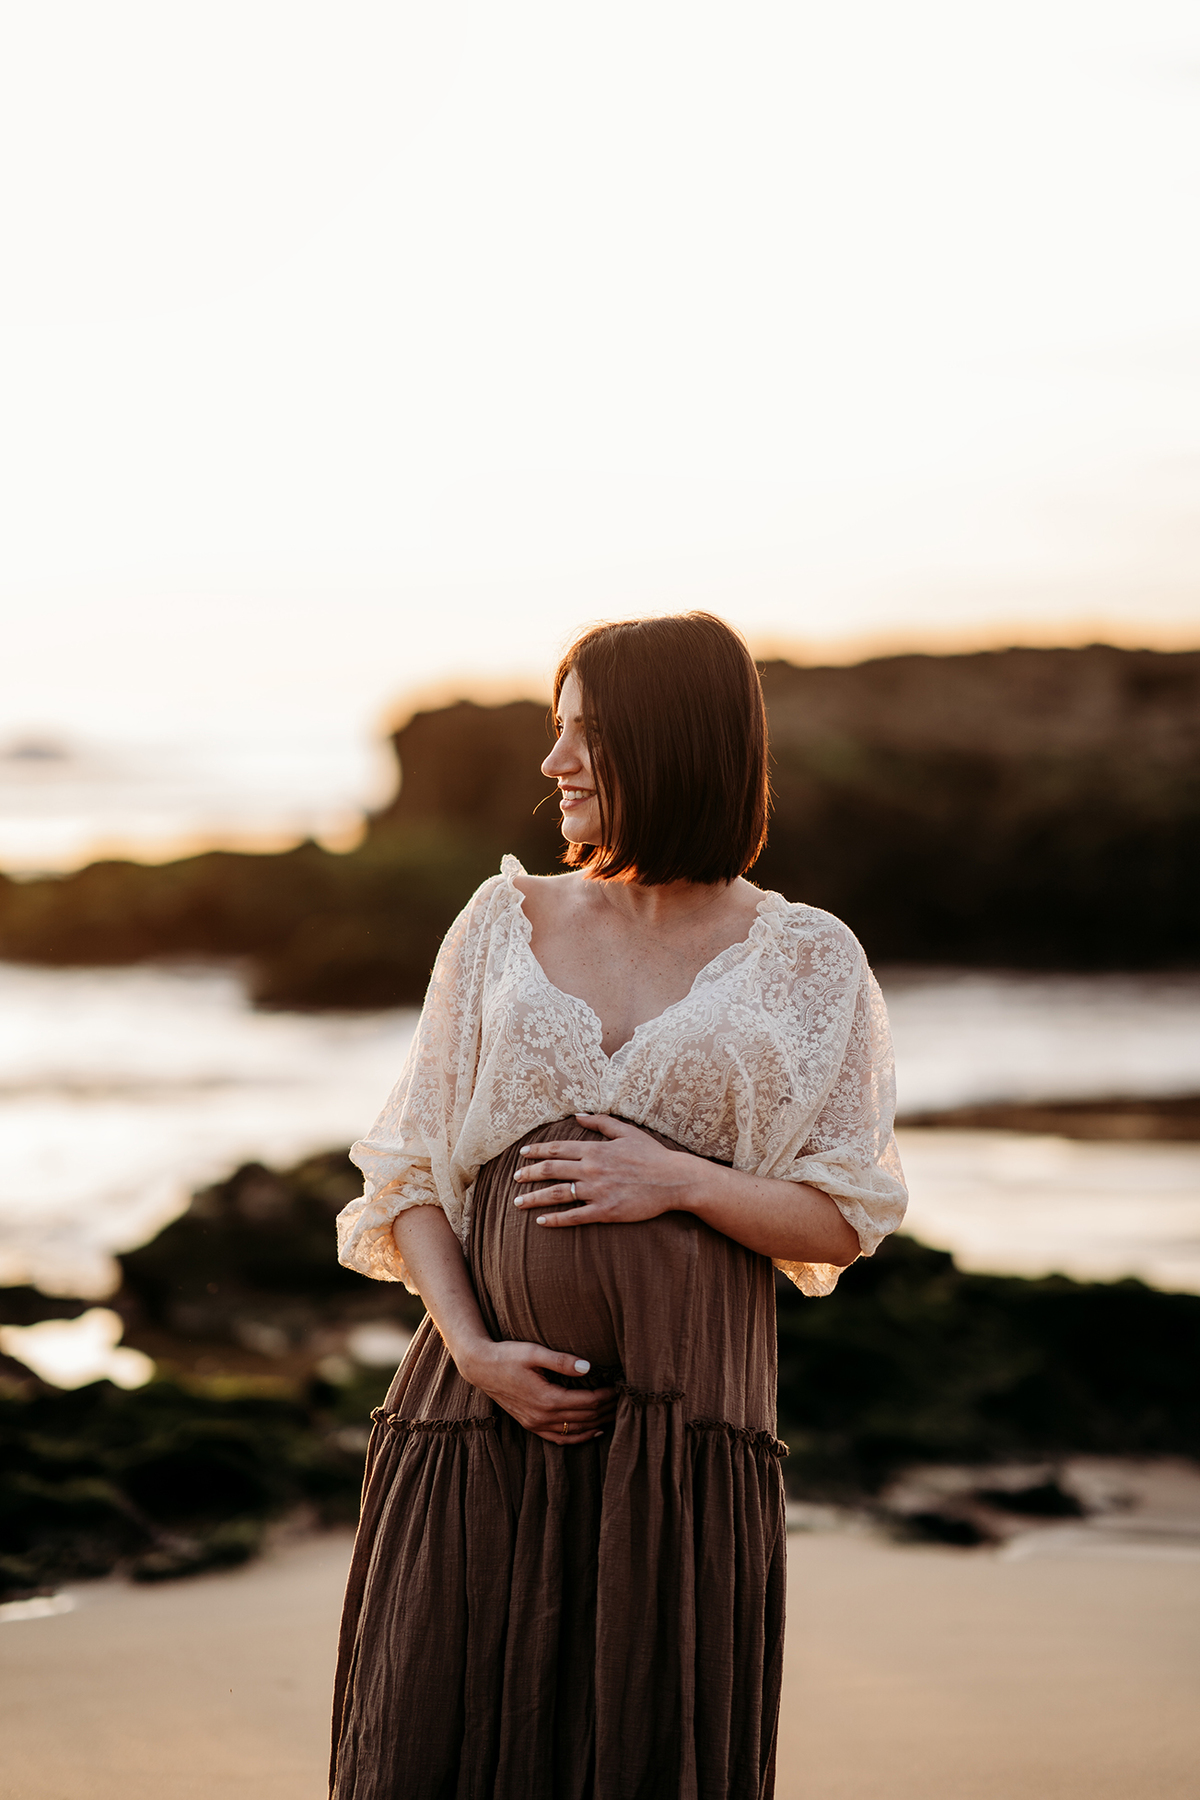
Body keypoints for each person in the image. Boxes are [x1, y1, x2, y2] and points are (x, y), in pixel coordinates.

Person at [330, 612, 907, 1800]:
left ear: (673, 741)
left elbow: (847, 1214)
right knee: (430, 1746)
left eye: (585, 735)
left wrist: (683, 1181)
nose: (555, 767)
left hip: (682, 1438)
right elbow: (414, 1176)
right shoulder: (503, 922)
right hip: (477, 1413)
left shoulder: (810, 960)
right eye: (557, 733)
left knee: (642, 1752)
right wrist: (478, 1350)